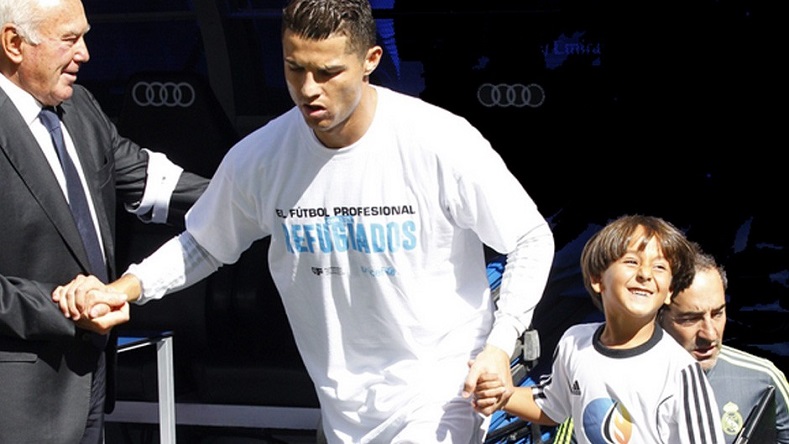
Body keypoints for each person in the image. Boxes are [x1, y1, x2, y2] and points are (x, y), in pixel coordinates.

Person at [52, 0, 555, 441]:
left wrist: (498, 344)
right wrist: (128, 286)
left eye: (329, 72)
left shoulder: (440, 141)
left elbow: (530, 238)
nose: (309, 90)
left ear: (370, 62)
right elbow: (204, 243)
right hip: (340, 403)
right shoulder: (263, 156)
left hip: (441, 392)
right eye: (295, 69)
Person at [0, 0, 209, 442]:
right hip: (17, 401)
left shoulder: (78, 109)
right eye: (69, 39)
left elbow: (147, 180)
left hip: (89, 384)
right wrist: (61, 308)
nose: (86, 54)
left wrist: (255, 201)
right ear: (14, 43)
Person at [473, 214, 726, 443]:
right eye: (631, 261)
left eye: (659, 267)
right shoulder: (575, 342)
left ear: (670, 290)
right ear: (597, 279)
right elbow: (552, 405)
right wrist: (503, 397)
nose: (645, 274)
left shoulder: (680, 371)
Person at [658, 247, 789, 443]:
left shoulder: (764, 378)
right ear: (657, 317)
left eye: (717, 313)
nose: (710, 334)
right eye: (690, 319)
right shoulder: (620, 380)